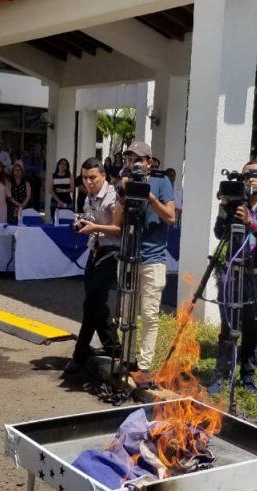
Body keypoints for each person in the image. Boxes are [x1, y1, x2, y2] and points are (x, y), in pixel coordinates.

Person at [206, 162, 257, 394]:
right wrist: (224, 208)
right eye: (246, 175)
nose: (251, 179)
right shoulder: (234, 202)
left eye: (256, 175)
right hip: (234, 275)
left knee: (253, 328)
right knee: (228, 327)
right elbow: (220, 233)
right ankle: (221, 374)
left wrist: (252, 222)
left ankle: (248, 375)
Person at [113, 142, 176, 373]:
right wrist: (123, 192)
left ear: (149, 161)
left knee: (149, 315)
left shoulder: (161, 181)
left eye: (137, 159)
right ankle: (127, 360)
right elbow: (116, 222)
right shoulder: (124, 181)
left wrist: (150, 198)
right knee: (127, 314)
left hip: (153, 258)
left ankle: (145, 365)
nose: (133, 163)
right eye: (129, 159)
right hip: (129, 256)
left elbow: (170, 218)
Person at [63, 158, 122, 375]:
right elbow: (91, 220)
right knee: (97, 304)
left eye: (93, 178)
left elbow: (119, 228)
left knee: (91, 303)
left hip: (111, 252)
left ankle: (80, 354)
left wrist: (95, 226)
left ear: (103, 176)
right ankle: (114, 347)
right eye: (85, 178)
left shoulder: (114, 197)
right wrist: (83, 221)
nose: (88, 182)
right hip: (95, 250)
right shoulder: (89, 196)